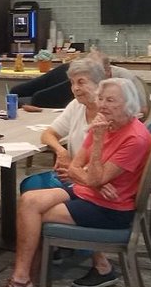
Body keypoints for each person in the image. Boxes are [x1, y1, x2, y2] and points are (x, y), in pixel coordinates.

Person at [0, 78, 151, 287]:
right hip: (89, 193)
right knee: (28, 201)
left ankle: (22, 283)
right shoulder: (105, 123)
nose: (103, 105)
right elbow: (74, 167)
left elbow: (87, 173)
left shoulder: (134, 137)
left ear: (128, 104)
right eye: (102, 99)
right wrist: (95, 182)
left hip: (111, 209)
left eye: (111, 100)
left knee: (33, 219)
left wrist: (96, 145)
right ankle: (24, 283)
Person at [23, 56, 107, 197]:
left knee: (34, 193)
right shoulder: (76, 106)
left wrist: (76, 173)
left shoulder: (109, 113)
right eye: (72, 83)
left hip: (95, 181)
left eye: (81, 82)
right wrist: (61, 152)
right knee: (30, 184)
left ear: (99, 85)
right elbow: (48, 134)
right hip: (72, 173)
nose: (75, 88)